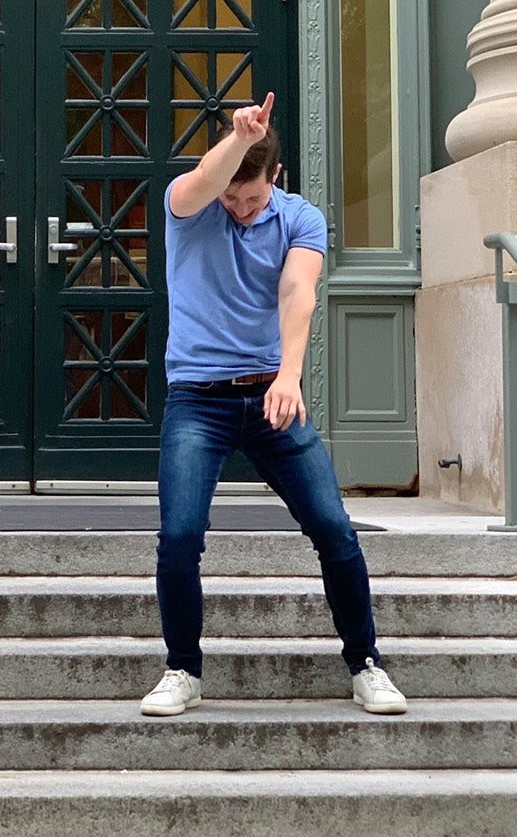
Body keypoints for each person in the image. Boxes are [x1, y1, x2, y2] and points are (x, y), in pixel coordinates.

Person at [140, 90, 406, 718]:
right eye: (233, 194)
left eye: (252, 196)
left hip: (270, 395)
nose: (239, 207)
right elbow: (204, 179)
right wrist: (234, 142)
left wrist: (288, 376)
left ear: (275, 178)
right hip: (197, 401)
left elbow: (298, 291)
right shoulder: (191, 204)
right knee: (179, 537)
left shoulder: (299, 217)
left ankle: (366, 663)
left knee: (334, 529)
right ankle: (182, 670)